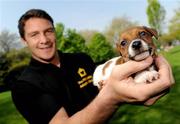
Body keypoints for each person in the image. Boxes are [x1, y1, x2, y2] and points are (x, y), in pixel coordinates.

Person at [11, 9, 174, 124]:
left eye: (48, 31)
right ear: (24, 41)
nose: (44, 39)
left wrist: (139, 85)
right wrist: (112, 97)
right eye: (34, 34)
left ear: (55, 32)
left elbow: (113, 86)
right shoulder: (25, 86)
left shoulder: (81, 59)